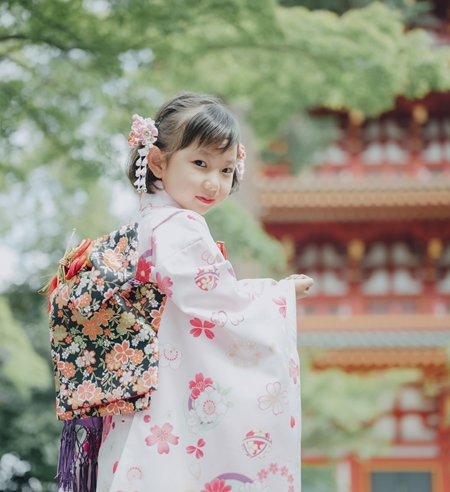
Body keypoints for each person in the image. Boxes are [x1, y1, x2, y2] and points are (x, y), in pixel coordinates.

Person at [96, 92, 313, 492]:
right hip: (163, 392)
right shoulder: (180, 227)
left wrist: (268, 291)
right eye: (201, 163)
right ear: (159, 161)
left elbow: (208, 293)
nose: (214, 183)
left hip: (144, 392)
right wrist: (278, 297)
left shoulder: (149, 223)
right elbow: (220, 306)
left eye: (226, 170)